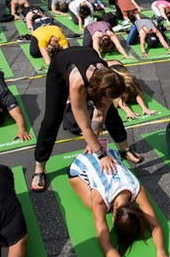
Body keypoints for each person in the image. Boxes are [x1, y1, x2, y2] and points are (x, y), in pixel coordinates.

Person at [67, 147, 170, 257]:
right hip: (80, 165)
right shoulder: (99, 200)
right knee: (90, 206)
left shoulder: (137, 190)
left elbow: (154, 224)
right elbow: (104, 242)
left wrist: (161, 252)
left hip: (110, 153)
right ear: (113, 217)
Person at [30, 47, 137, 193]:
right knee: (51, 120)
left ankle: (125, 148)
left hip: (87, 59)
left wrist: (93, 142)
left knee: (110, 113)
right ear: (98, 93)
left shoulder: (108, 76)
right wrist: (101, 155)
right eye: (106, 99)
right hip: (60, 71)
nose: (107, 102)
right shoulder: (77, 84)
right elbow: (85, 126)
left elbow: (99, 115)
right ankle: (39, 168)